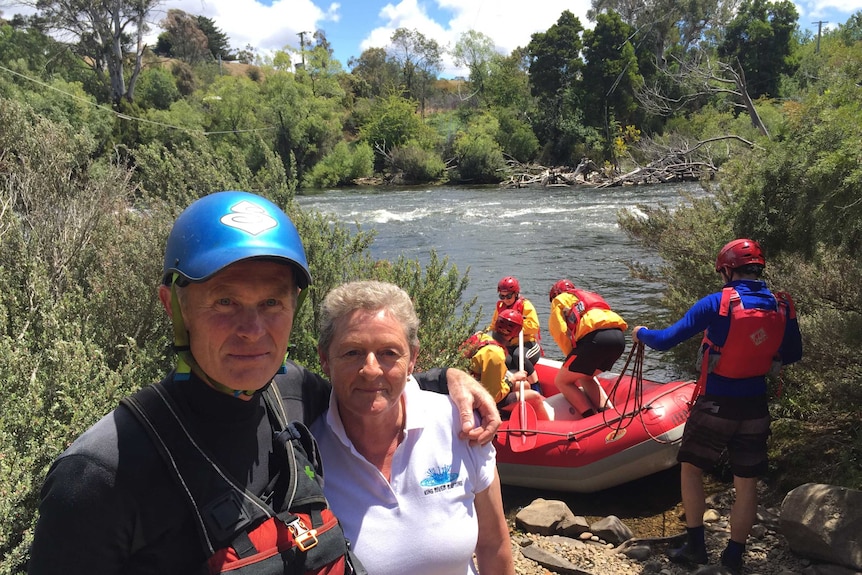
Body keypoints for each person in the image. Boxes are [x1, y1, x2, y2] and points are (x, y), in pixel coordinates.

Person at [27, 191, 501, 575]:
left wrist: (448, 380)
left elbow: (370, 385)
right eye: (225, 301)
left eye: (272, 303)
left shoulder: (289, 392)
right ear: (174, 307)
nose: (253, 331)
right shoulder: (100, 474)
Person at [311, 280, 515, 575]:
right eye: (352, 352)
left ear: (413, 360)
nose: (371, 370)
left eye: (389, 353)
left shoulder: (460, 424)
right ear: (324, 360)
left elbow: (493, 544)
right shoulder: (306, 453)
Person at [632, 238, 802, 575]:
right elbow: (793, 353)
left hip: (716, 405)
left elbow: (666, 341)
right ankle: (733, 557)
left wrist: (642, 332)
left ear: (727, 270)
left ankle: (696, 548)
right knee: (747, 482)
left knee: (692, 468)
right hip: (755, 406)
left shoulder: (717, 303)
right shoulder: (783, 306)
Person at [547, 279, 627, 418]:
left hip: (595, 340)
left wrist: (571, 357)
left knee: (562, 381)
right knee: (586, 377)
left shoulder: (559, 300)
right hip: (618, 339)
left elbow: (559, 331)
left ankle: (589, 417)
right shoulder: (587, 296)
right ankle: (607, 412)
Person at [463, 309, 550, 419]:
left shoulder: (482, 336)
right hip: (481, 397)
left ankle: (512, 416)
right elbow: (493, 397)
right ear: (516, 334)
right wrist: (512, 379)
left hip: (474, 385)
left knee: (525, 385)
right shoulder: (495, 353)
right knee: (534, 397)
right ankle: (548, 428)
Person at [487, 275, 543, 363]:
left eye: (508, 296)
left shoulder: (525, 305)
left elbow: (534, 326)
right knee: (504, 359)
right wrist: (485, 334)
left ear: (516, 294)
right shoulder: (500, 307)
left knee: (518, 356)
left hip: (527, 343)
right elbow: (494, 325)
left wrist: (514, 329)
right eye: (502, 296)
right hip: (509, 345)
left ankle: (533, 377)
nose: (505, 299)